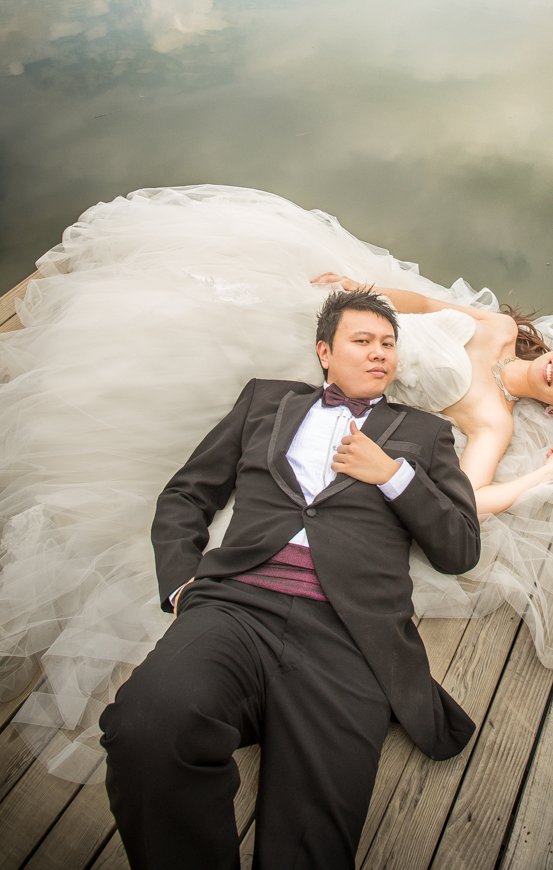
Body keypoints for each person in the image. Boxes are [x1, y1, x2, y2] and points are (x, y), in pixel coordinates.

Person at [0, 185, 553, 786]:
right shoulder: (491, 327)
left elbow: (465, 505)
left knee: (221, 400)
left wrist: (542, 475)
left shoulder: (493, 422)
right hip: (350, 346)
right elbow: (416, 303)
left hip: (340, 395)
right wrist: (360, 294)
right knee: (232, 310)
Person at [98, 287, 481, 870]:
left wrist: (392, 475)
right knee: (145, 726)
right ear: (325, 351)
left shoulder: (425, 433)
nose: (379, 353)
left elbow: (460, 549)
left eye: (388, 344)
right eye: (362, 340)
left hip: (349, 637)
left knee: (312, 841)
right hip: (236, 609)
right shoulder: (266, 400)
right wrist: (180, 585)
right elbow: (186, 495)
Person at [312, 272, 553, 515]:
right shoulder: (503, 328)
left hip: (338, 372)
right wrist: (361, 291)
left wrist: (549, 471)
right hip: (349, 316)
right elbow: (425, 305)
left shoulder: (495, 421)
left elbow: (472, 497)